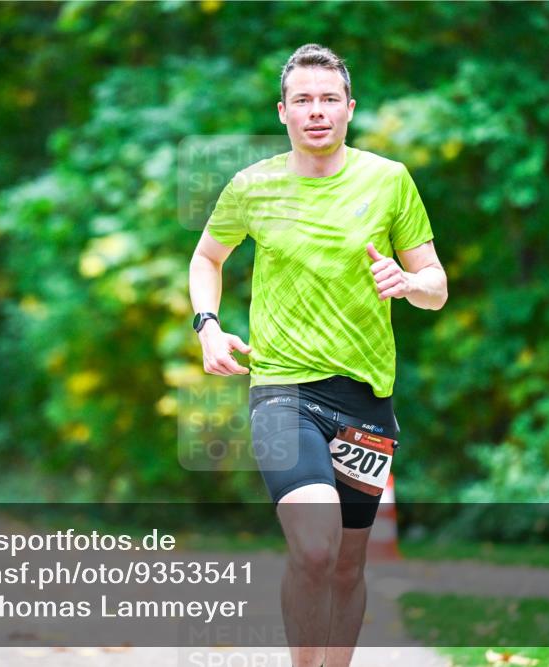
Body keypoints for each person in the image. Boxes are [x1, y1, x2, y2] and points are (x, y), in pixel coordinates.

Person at [188, 44, 447, 667]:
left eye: (329, 99)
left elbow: (436, 285)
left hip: (365, 396)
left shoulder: (389, 181)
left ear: (350, 109)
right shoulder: (251, 187)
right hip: (282, 391)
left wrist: (410, 285)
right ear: (283, 112)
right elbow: (206, 259)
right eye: (303, 100)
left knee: (347, 563)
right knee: (313, 548)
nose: (317, 111)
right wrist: (208, 327)